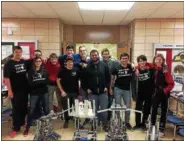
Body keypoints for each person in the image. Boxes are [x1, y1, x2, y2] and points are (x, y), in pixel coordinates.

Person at [4, 46, 29, 138]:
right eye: (16, 52)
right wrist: (10, 91)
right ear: (13, 52)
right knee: (16, 109)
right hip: (15, 90)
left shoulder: (23, 61)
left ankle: (22, 123)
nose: (18, 54)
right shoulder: (9, 63)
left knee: (24, 107)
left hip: (25, 89)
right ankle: (15, 128)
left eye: (20, 52)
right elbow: (6, 78)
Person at [23, 57, 49, 135]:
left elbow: (46, 82)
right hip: (34, 93)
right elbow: (30, 84)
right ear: (34, 62)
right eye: (36, 61)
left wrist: (37, 82)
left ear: (41, 62)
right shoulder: (30, 72)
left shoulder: (45, 71)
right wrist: (41, 82)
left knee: (46, 110)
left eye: (39, 61)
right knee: (31, 110)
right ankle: (27, 128)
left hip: (44, 93)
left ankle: (47, 127)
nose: (38, 62)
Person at [86, 49, 110, 131]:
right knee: (94, 110)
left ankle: (105, 124)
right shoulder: (87, 66)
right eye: (92, 55)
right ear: (90, 56)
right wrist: (87, 88)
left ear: (98, 55)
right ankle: (94, 124)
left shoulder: (104, 65)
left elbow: (108, 77)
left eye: (95, 55)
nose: (94, 56)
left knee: (104, 110)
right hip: (93, 93)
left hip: (103, 92)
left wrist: (107, 86)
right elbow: (84, 79)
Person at [151, 54, 174, 137]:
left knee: (163, 111)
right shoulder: (153, 68)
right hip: (155, 92)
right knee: (154, 110)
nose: (158, 61)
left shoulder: (165, 70)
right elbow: (143, 64)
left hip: (164, 93)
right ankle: (152, 125)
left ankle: (161, 128)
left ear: (162, 60)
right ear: (154, 60)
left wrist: (165, 91)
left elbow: (171, 83)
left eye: (160, 59)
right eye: (156, 59)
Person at [111, 53, 134, 130]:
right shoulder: (116, 67)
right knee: (118, 106)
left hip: (127, 90)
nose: (124, 60)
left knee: (127, 107)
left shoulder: (131, 67)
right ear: (120, 59)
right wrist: (110, 87)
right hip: (117, 88)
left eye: (126, 58)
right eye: (123, 58)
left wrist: (133, 65)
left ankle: (127, 122)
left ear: (128, 59)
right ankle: (119, 120)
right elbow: (111, 77)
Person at [57, 56, 80, 128]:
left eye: (71, 62)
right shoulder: (62, 71)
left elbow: (80, 81)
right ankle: (66, 121)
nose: (70, 63)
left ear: (73, 63)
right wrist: (61, 91)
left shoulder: (76, 70)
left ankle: (77, 121)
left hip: (75, 93)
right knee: (66, 107)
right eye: (68, 62)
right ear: (66, 63)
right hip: (65, 93)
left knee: (76, 107)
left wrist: (79, 92)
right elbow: (57, 80)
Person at [133, 55, 155, 130]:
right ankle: (138, 124)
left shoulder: (150, 70)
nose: (142, 62)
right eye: (140, 61)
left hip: (149, 93)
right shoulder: (136, 71)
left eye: (143, 61)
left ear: (146, 61)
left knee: (147, 109)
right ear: (138, 62)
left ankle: (143, 124)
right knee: (137, 109)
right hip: (139, 93)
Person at [101, 48, 119, 120]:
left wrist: (132, 64)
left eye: (106, 54)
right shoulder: (100, 62)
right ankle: (103, 118)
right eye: (104, 54)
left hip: (111, 85)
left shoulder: (113, 62)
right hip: (102, 86)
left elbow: (122, 64)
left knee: (110, 102)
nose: (105, 55)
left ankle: (109, 117)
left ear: (109, 54)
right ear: (102, 55)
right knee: (103, 103)